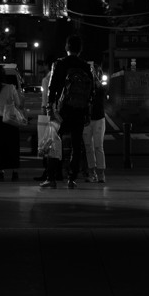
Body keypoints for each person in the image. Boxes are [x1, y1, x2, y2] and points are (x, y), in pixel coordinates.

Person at [46, 34, 95, 188]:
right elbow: (91, 90)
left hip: (62, 110)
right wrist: (87, 110)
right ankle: (72, 178)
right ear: (80, 49)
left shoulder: (59, 64)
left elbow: (52, 87)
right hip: (79, 109)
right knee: (76, 143)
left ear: (66, 47)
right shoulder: (85, 66)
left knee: (54, 141)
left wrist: (50, 106)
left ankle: (52, 178)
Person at [82, 63, 107, 183]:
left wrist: (97, 80)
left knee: (98, 146)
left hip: (98, 118)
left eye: (96, 71)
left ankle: (101, 173)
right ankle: (92, 172)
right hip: (87, 118)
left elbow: (103, 92)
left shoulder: (101, 85)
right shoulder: (85, 84)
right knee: (88, 146)